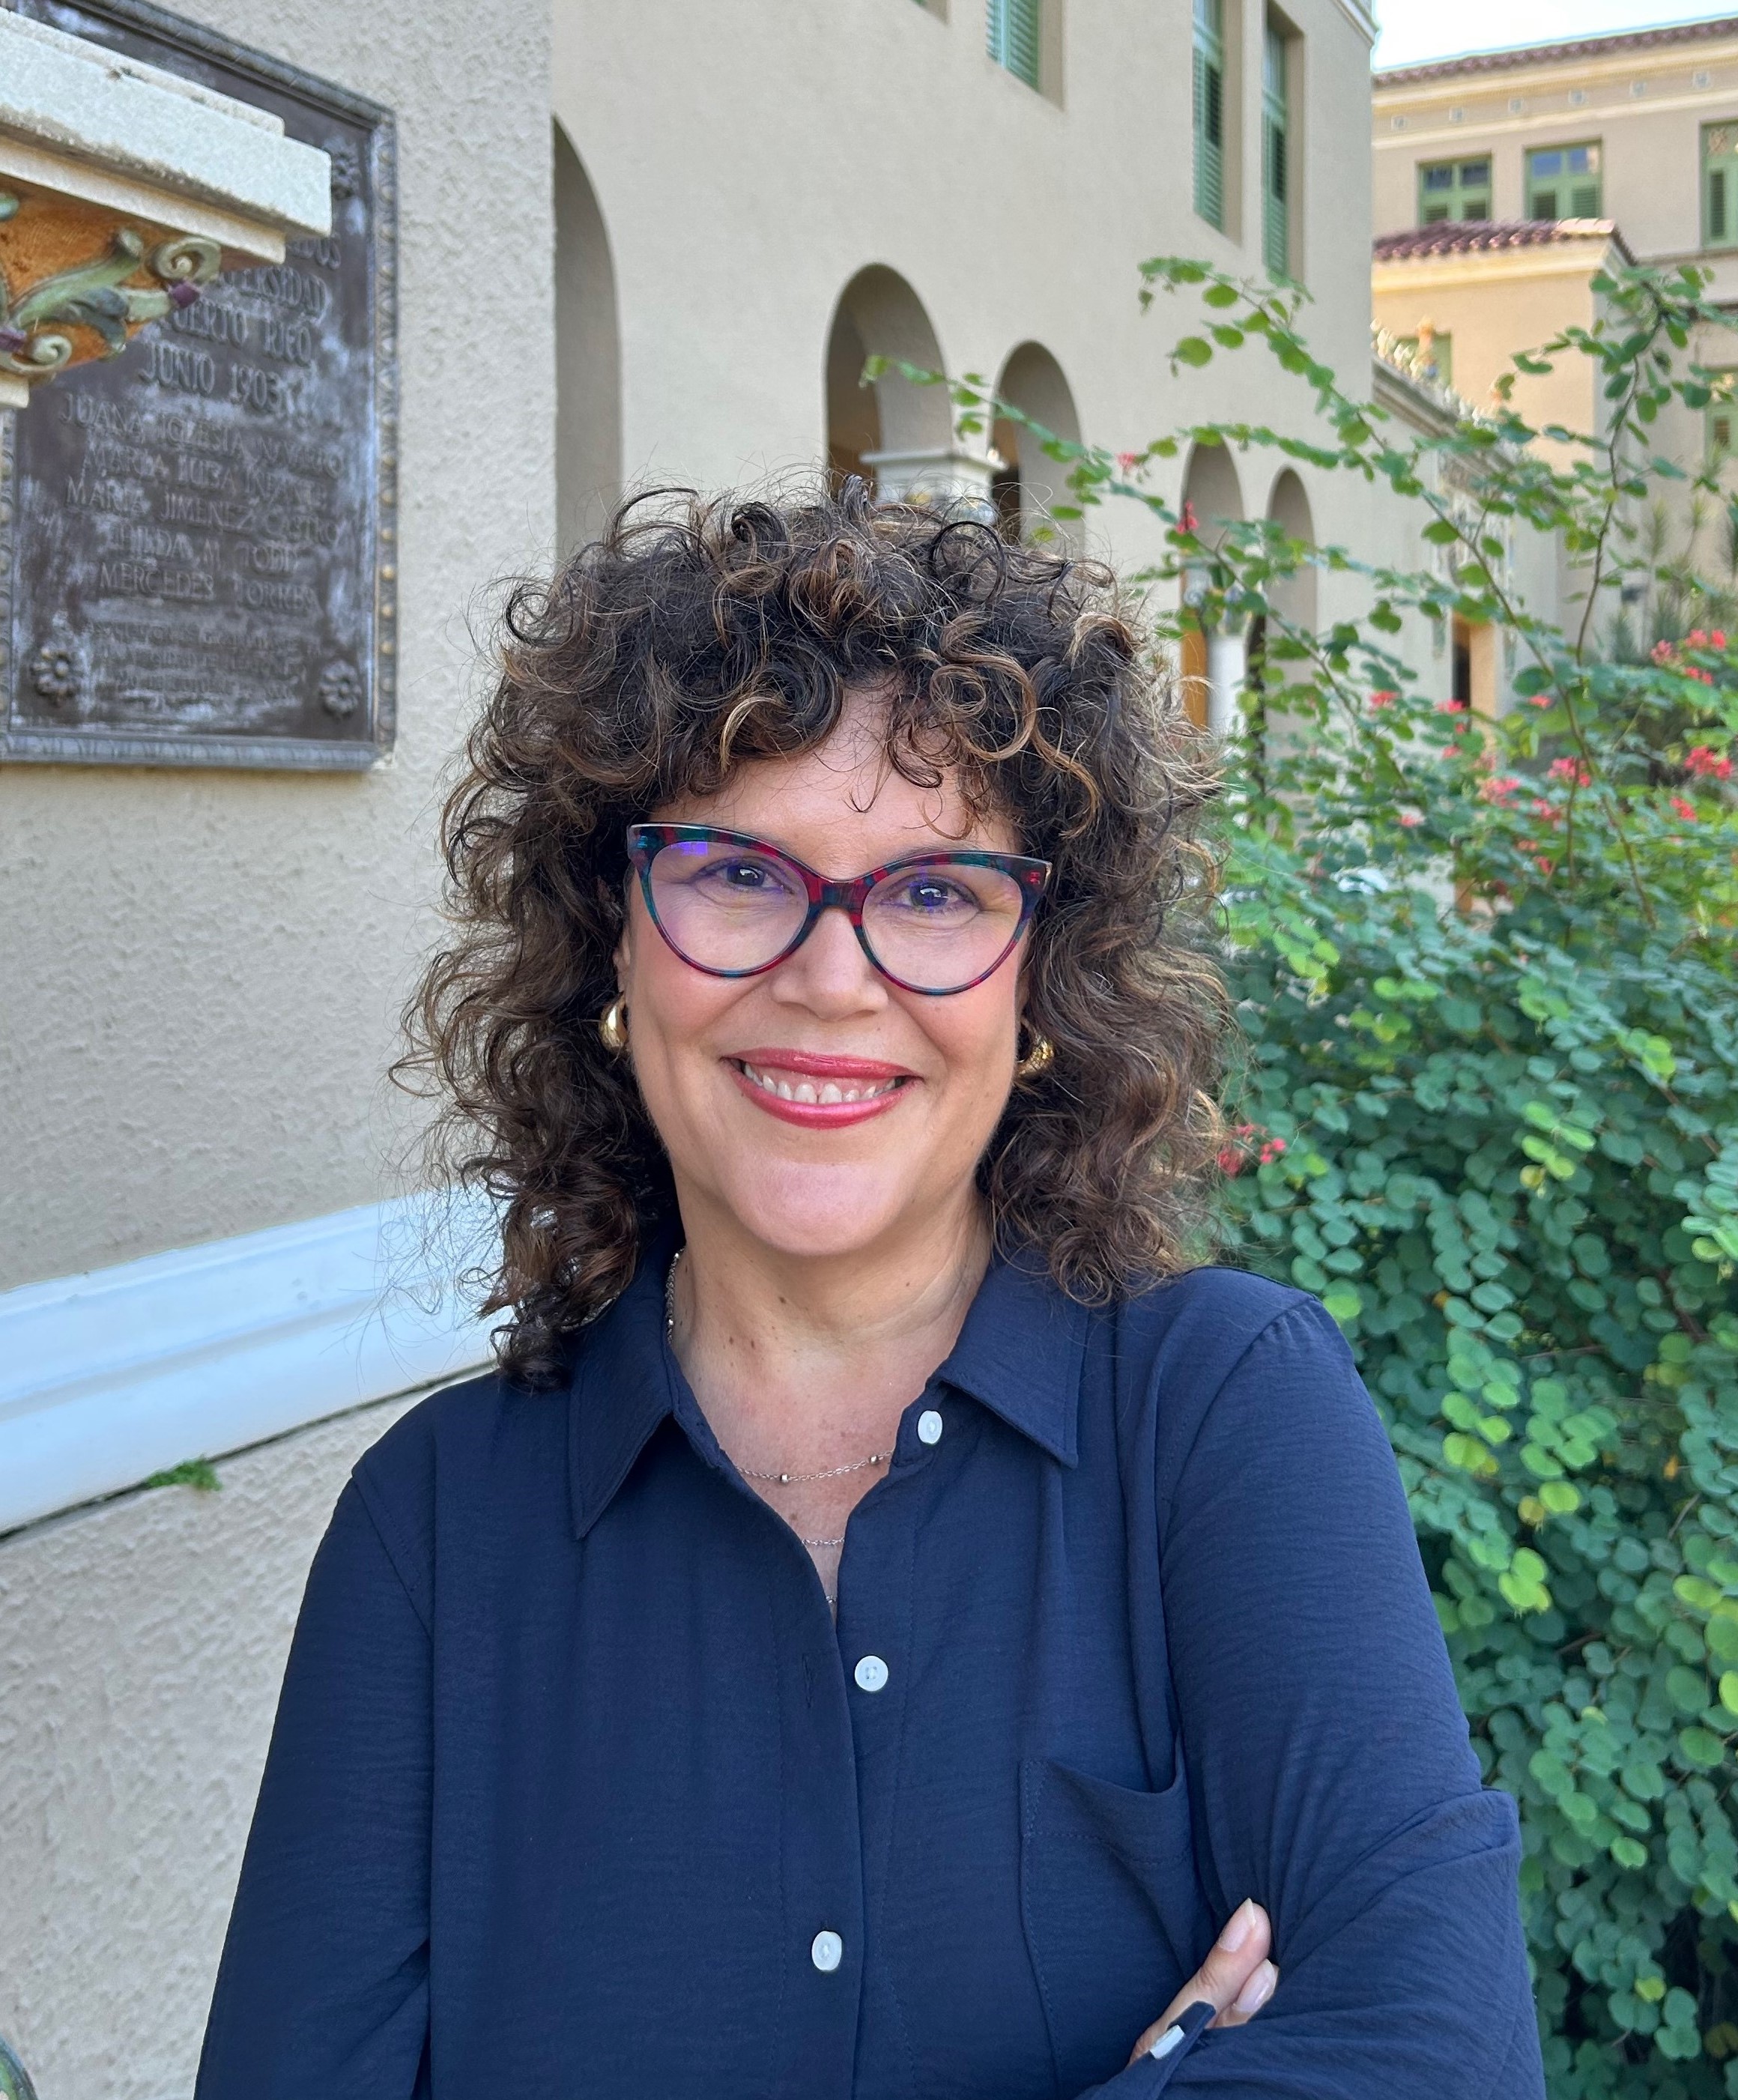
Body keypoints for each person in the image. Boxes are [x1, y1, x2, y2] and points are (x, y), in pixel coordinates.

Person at [195, 486, 1545, 2099]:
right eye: (736, 873)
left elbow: (1444, 2064)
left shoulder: (1219, 1417)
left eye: (933, 893)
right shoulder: (431, 1533)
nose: (831, 981)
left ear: (1037, 981)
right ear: (613, 940)